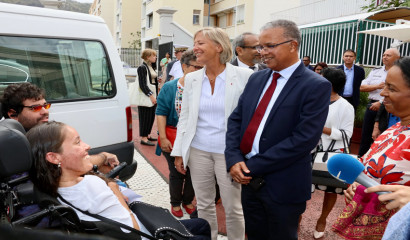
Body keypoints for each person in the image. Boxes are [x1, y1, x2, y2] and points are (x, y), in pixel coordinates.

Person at [225, 20, 331, 240]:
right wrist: (234, 158)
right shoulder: (257, 78)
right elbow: (236, 120)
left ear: (292, 45)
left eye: (269, 46)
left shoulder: (316, 85)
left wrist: (249, 167)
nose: (262, 52)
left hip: (283, 186)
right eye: (260, 47)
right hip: (249, 183)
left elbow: (303, 140)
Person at [26, 121, 211, 240]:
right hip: (142, 232)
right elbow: (132, 228)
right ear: (54, 158)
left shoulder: (54, 188)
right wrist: (115, 190)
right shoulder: (90, 184)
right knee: (202, 230)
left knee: (201, 225)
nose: (86, 146)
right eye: (77, 142)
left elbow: (90, 162)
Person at [171, 27, 253, 240]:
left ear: (218, 47)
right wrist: (179, 151)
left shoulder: (245, 76)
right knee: (205, 204)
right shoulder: (192, 79)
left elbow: (251, 118)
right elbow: (186, 117)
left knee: (233, 206)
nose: (194, 48)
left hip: (230, 153)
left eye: (200, 43)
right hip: (198, 150)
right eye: (195, 43)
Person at [344, 56, 410, 238]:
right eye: (385, 85)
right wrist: (356, 187)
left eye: (392, 88)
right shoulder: (395, 129)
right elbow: (367, 169)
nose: (382, 93)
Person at [0, 82, 118, 169]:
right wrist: (103, 157)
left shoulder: (37, 132)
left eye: (45, 106)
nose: (45, 112)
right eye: (35, 108)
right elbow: (68, 164)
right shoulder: (16, 142)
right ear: (13, 114)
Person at [155, 50, 201, 217]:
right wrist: (163, 137)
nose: (200, 71)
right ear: (184, 67)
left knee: (193, 171)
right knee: (176, 171)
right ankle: (175, 202)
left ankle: (188, 200)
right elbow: (161, 113)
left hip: (196, 138)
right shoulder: (170, 87)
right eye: (196, 67)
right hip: (172, 136)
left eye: (203, 67)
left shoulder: (204, 87)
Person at [311, 68, 354, 239]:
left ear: (329, 84)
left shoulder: (346, 107)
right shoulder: (313, 100)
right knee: (303, 186)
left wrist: (323, 129)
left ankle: (322, 219)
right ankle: (297, 216)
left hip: (332, 153)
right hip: (308, 150)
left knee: (330, 189)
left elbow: (346, 135)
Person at [358, 48, 400, 157]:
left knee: (383, 135)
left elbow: (397, 91)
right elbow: (362, 87)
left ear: (397, 58)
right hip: (371, 105)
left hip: (387, 108)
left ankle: (378, 160)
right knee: (366, 136)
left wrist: (381, 103)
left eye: (388, 55)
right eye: (384, 55)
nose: (385, 57)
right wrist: (377, 86)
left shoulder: (399, 73)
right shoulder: (376, 70)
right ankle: (361, 159)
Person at [136, 48, 158, 146]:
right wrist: (151, 95)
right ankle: (143, 138)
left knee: (151, 116)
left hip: (152, 94)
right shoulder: (142, 67)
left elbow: (151, 80)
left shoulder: (150, 66)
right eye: (154, 56)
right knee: (145, 116)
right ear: (148, 57)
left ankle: (147, 135)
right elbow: (142, 84)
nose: (156, 57)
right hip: (147, 95)